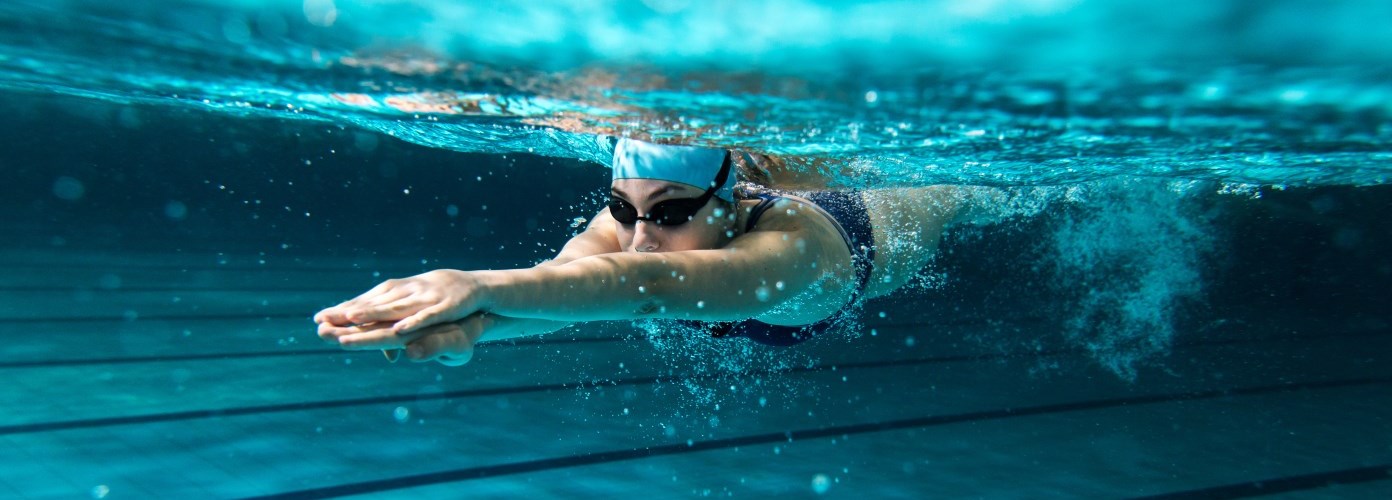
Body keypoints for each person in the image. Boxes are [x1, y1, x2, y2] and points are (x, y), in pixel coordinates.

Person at [314, 138, 977, 366]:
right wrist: (473, 331)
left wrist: (475, 284)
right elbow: (566, 288)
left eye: (668, 212)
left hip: (881, 219)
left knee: (968, 191)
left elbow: (649, 285)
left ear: (731, 205)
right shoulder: (634, 231)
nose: (638, 236)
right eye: (624, 209)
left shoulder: (790, 251)